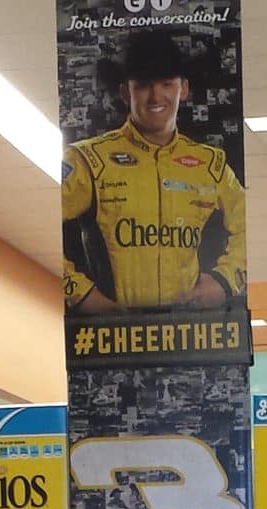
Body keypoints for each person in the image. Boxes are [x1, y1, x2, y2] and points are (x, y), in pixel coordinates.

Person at [60, 32, 245, 313]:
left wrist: (224, 280)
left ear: (182, 88)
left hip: (187, 336)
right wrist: (82, 295)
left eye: (166, 84)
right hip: (113, 340)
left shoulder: (211, 165)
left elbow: (248, 225)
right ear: (125, 93)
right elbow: (37, 226)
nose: (156, 96)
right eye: (144, 85)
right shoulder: (88, 160)